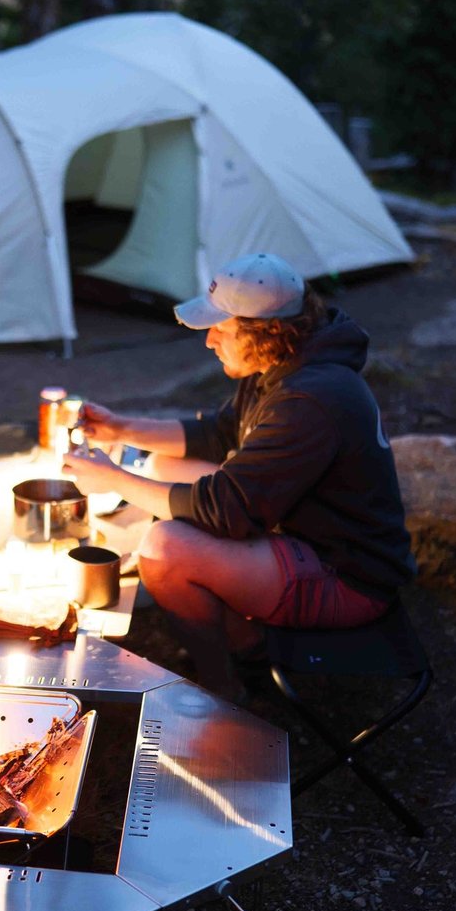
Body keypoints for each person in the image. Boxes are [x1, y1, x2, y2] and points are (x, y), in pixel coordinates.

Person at [61, 251, 415, 701]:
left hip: (347, 576)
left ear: (264, 333)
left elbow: (226, 510)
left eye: (221, 330)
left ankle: (226, 687)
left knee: (164, 550)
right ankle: (242, 643)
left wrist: (112, 478)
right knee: (160, 466)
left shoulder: (309, 399)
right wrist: (122, 427)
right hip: (307, 532)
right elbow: (219, 433)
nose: (209, 341)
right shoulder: (286, 362)